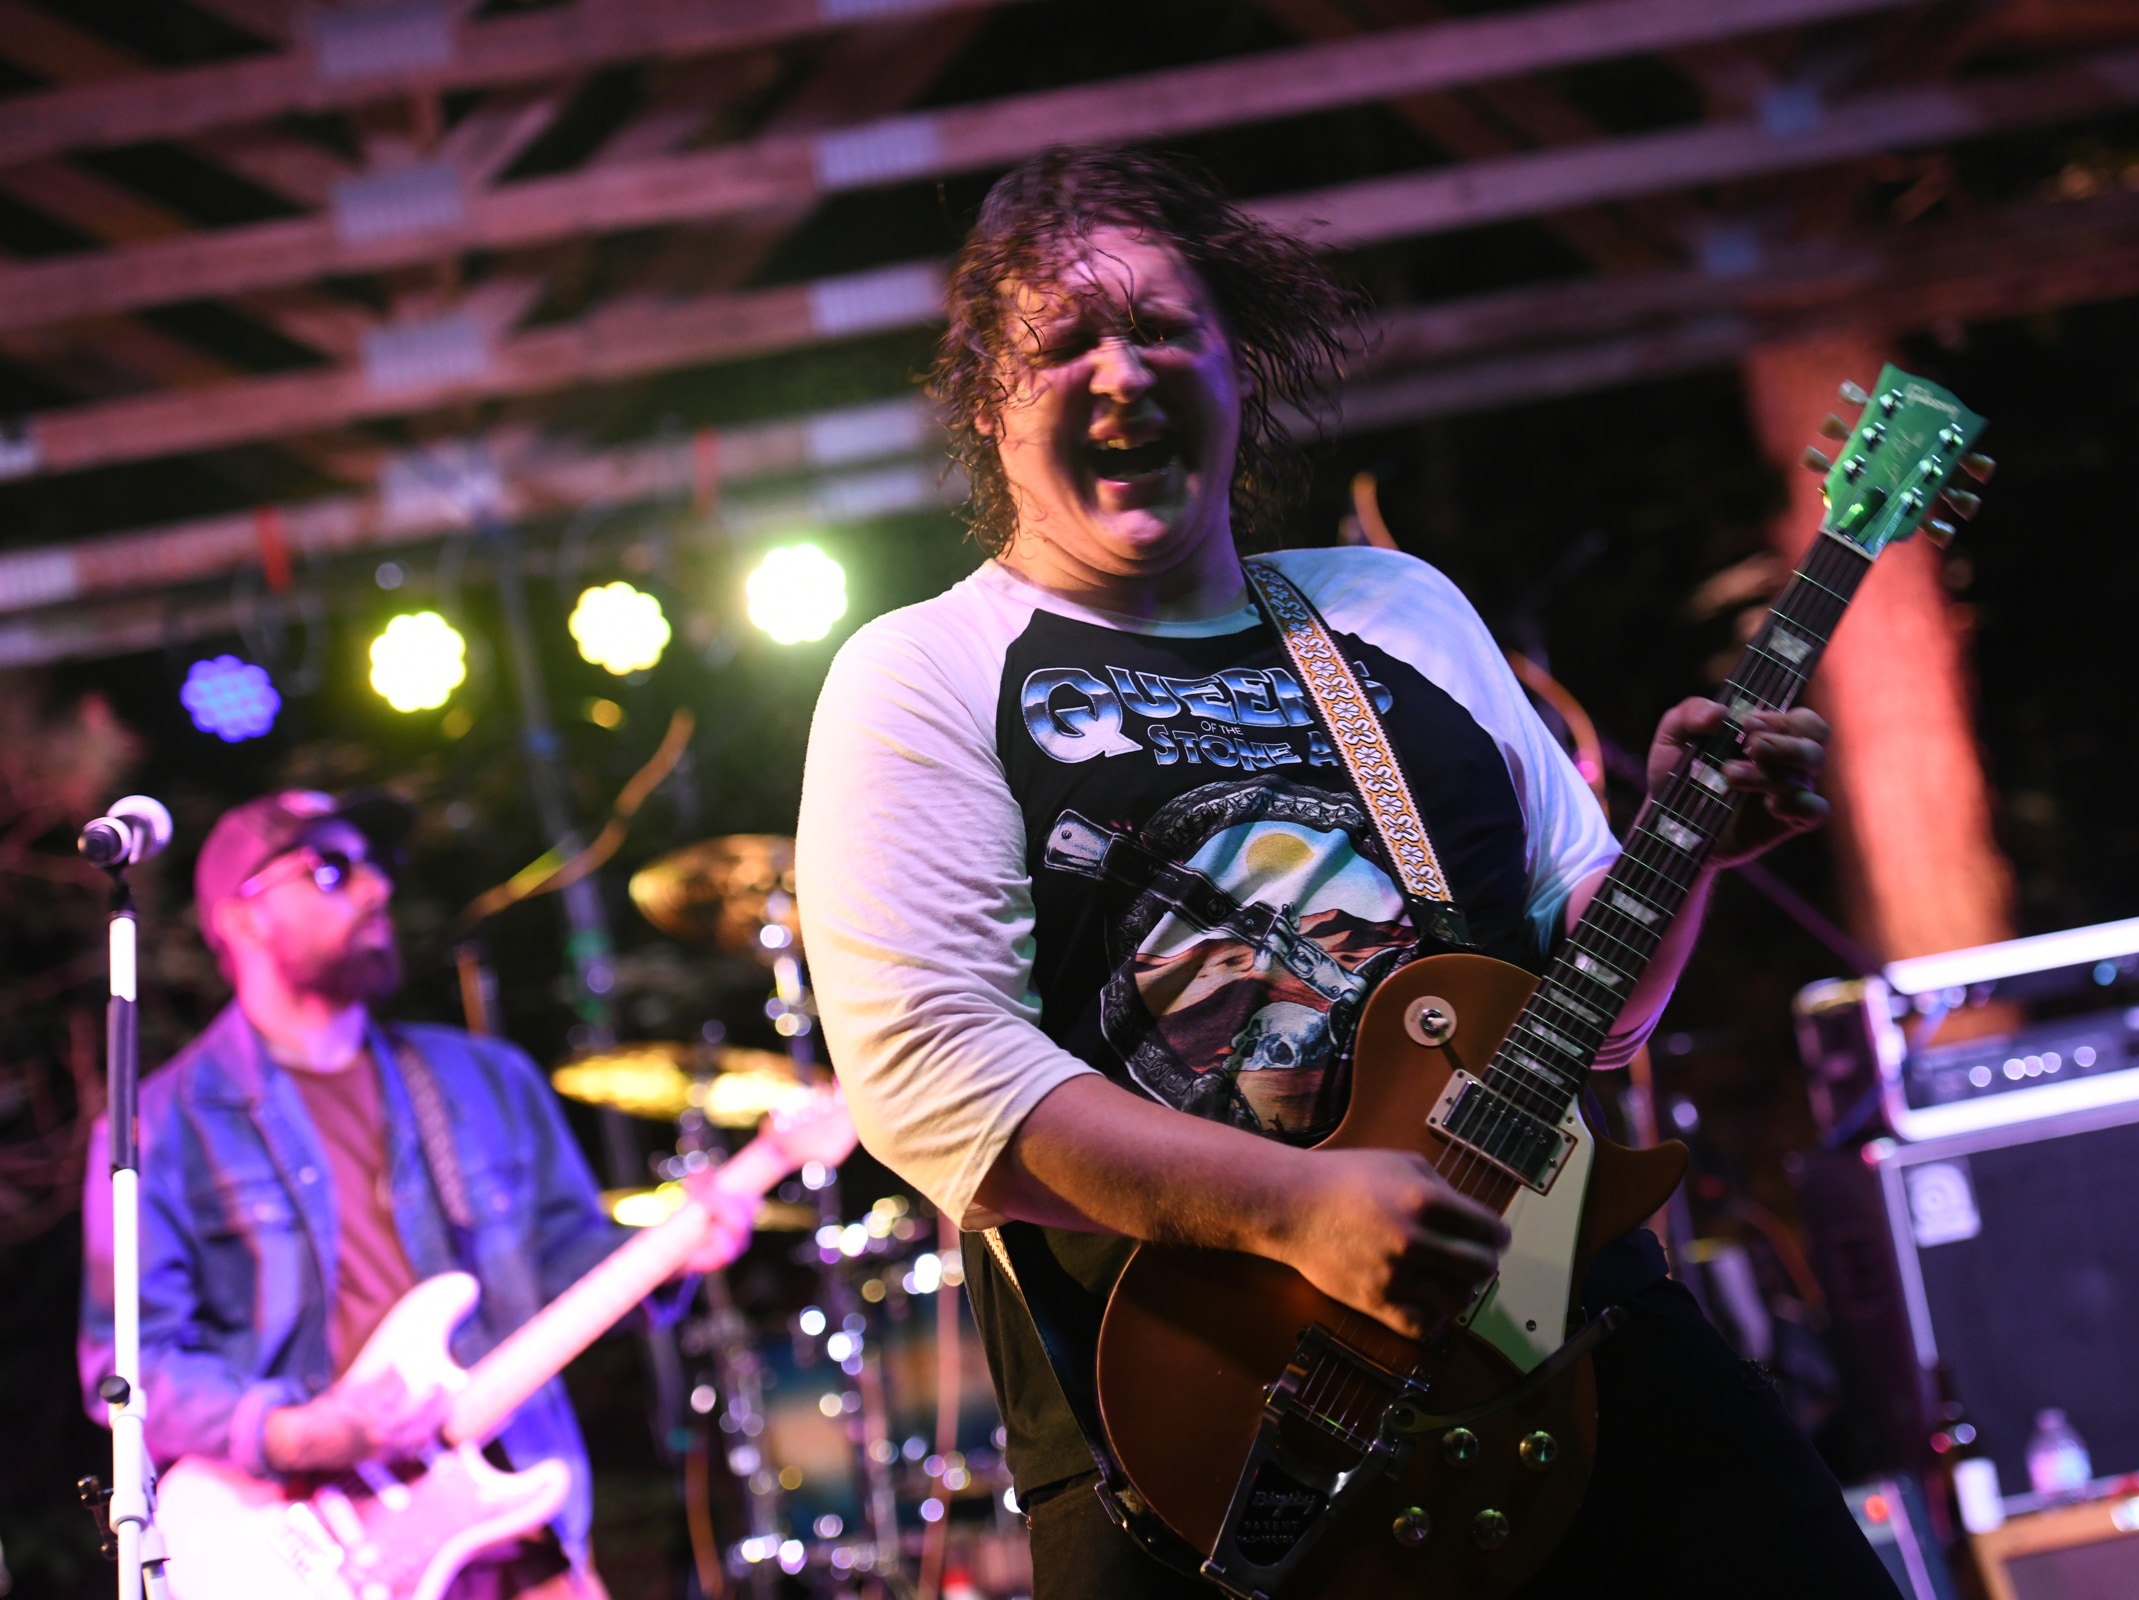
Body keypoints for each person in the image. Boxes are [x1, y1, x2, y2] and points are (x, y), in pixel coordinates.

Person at [797, 148, 1896, 1597]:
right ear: (990, 405)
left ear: (1236, 367)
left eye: (1164, 328)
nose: (1120, 370)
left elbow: (1590, 1016)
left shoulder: (1393, 609)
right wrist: (1291, 1207)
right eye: (1063, 344)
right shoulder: (926, 672)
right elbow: (935, 1075)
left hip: (1567, 1327)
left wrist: (1687, 845)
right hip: (1217, 1427)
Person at [78, 789, 756, 1600]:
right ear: (243, 916)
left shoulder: (487, 1080)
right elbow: (133, 1362)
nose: (377, 888)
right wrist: (292, 1433)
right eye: (332, 869)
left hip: (518, 1533)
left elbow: (568, 1265)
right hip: (302, 1553)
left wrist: (675, 1252)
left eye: (376, 865)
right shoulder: (159, 1125)